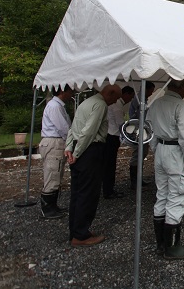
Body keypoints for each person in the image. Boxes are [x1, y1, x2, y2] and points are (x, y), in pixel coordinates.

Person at [64, 84, 122, 247]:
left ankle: (76, 230)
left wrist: (70, 147)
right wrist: (77, 153)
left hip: (79, 147)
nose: (114, 102)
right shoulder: (101, 104)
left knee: (77, 192)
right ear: (109, 93)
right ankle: (81, 235)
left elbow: (73, 127)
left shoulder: (86, 102)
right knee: (88, 193)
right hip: (89, 150)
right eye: (115, 98)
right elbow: (89, 132)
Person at [147, 79, 184, 259]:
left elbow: (149, 129)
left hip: (160, 149)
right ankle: (172, 248)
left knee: (162, 195)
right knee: (177, 195)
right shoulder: (180, 106)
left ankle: (160, 244)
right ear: (181, 87)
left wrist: (156, 149)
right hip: (175, 152)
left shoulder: (155, 103)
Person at [38, 84, 75, 219]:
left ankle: (53, 206)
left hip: (56, 141)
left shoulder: (58, 105)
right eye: (70, 90)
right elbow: (63, 127)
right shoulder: (54, 106)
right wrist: (72, 140)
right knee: (52, 174)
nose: (72, 93)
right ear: (62, 91)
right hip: (54, 142)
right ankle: (47, 209)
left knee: (57, 173)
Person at [102, 86, 135, 199]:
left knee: (109, 164)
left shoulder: (117, 105)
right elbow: (121, 124)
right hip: (112, 137)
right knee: (110, 165)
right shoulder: (117, 107)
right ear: (125, 94)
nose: (130, 100)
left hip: (111, 136)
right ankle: (108, 190)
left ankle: (108, 188)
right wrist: (131, 131)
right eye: (130, 97)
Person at [129, 81, 155, 190]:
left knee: (142, 154)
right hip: (139, 131)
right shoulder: (139, 100)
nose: (151, 93)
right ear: (147, 89)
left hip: (142, 129)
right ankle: (135, 183)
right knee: (138, 155)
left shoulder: (141, 98)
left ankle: (139, 180)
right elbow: (138, 116)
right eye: (151, 91)